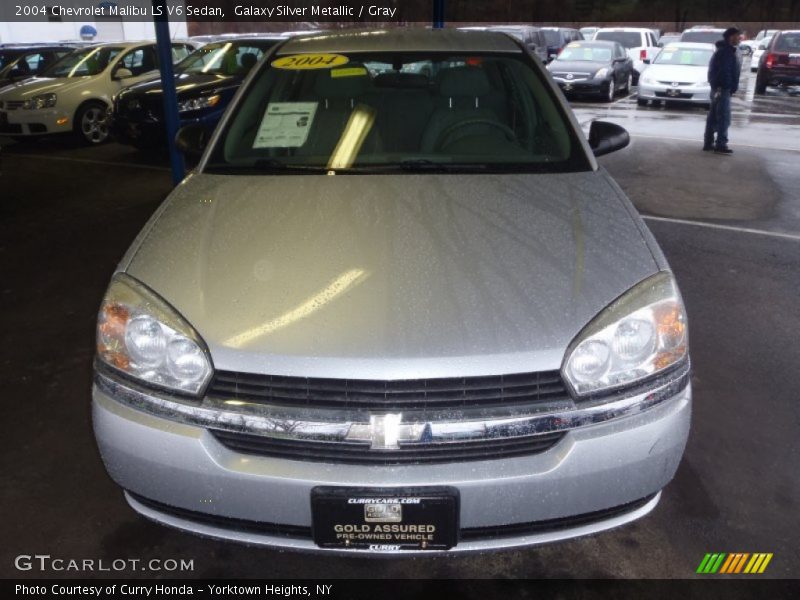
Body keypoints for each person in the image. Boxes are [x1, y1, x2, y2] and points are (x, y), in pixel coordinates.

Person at [704, 27, 742, 154]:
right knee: (723, 117)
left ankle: (708, 143)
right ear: (731, 37)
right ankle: (721, 144)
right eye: (737, 36)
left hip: (718, 88)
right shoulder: (725, 52)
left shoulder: (725, 51)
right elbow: (725, 72)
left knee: (714, 116)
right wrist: (727, 86)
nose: (739, 38)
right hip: (722, 88)